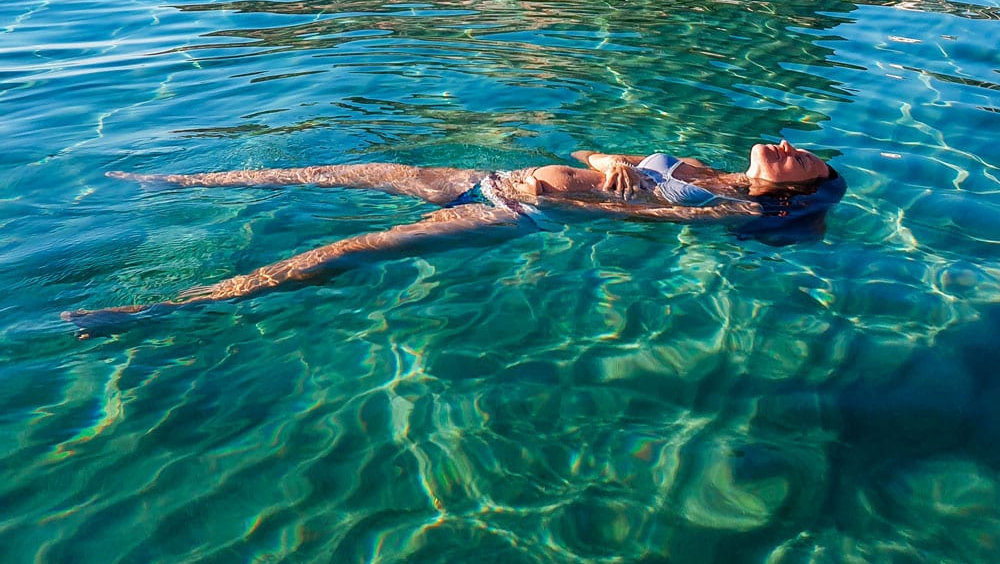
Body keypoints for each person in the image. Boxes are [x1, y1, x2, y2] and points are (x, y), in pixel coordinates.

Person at [63, 140, 843, 333]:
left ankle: (161, 308)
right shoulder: (703, 165)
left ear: (796, 185)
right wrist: (610, 162)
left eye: (798, 154)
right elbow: (589, 156)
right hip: (486, 173)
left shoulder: (733, 213)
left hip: (512, 212)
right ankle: (177, 184)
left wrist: (603, 200)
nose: (783, 142)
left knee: (342, 253)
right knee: (333, 172)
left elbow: (631, 220)